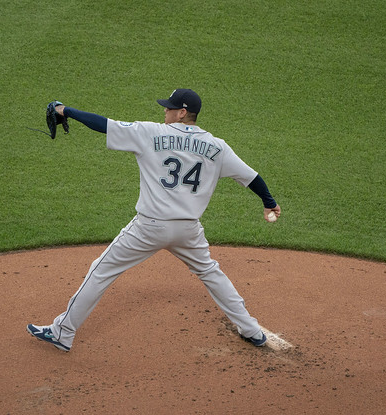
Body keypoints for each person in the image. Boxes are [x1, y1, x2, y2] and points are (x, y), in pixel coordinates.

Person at [27, 89, 281, 352]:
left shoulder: (151, 132)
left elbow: (103, 124)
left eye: (170, 108)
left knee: (101, 270)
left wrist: (64, 110)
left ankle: (62, 332)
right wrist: (269, 202)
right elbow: (252, 178)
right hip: (188, 230)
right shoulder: (217, 146)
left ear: (182, 113)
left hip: (149, 227)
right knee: (210, 272)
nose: (165, 111)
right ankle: (251, 330)